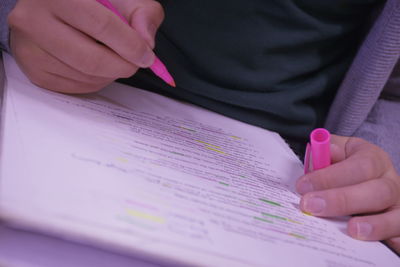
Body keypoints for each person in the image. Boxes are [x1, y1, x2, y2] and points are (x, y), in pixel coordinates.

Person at [1, 0, 400, 254]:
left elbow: (392, 88)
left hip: (291, 168)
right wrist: (15, 16)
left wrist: (375, 163)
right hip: (47, 100)